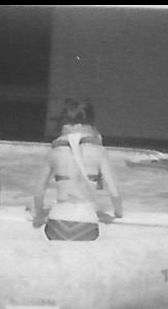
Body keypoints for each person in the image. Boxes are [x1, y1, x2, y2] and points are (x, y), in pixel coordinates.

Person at [32, 98, 122, 241]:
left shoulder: (54, 152)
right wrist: (118, 214)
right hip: (86, 223)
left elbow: (38, 193)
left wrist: (38, 215)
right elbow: (114, 192)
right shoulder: (99, 152)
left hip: (57, 223)